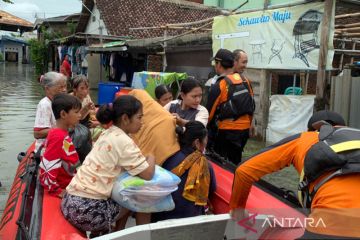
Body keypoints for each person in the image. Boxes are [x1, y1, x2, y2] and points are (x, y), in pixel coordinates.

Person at [230, 110, 360, 239]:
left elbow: (244, 171)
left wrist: (238, 210)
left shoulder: (306, 139)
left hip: (328, 227)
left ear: (311, 130)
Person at [61, 95, 155, 236]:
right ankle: (124, 234)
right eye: (139, 118)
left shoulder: (107, 133)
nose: (142, 122)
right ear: (125, 118)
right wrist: (151, 156)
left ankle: (111, 232)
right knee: (139, 198)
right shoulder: (124, 141)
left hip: (69, 202)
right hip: (87, 211)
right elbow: (148, 174)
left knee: (118, 197)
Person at [151, 121, 216, 222]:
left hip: (161, 217)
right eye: (205, 140)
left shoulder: (167, 157)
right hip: (190, 221)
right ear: (197, 143)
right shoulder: (205, 165)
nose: (206, 143)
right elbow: (211, 190)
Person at [206, 49, 255, 165]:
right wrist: (250, 125)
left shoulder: (220, 85)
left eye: (215, 64)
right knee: (235, 161)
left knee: (221, 163)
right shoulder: (245, 80)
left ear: (219, 64)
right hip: (244, 132)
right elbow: (251, 105)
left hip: (227, 132)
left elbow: (209, 114)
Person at [39, 94, 81, 197]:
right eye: (76, 112)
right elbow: (46, 168)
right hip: (67, 185)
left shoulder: (59, 133)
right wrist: (57, 191)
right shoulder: (58, 137)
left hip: (73, 179)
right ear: (63, 114)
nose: (80, 115)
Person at [34, 72, 67, 151]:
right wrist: (61, 126)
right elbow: (37, 134)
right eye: (60, 87)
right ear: (47, 88)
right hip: (46, 148)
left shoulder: (59, 101)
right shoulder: (45, 104)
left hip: (58, 143)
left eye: (65, 86)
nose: (64, 90)